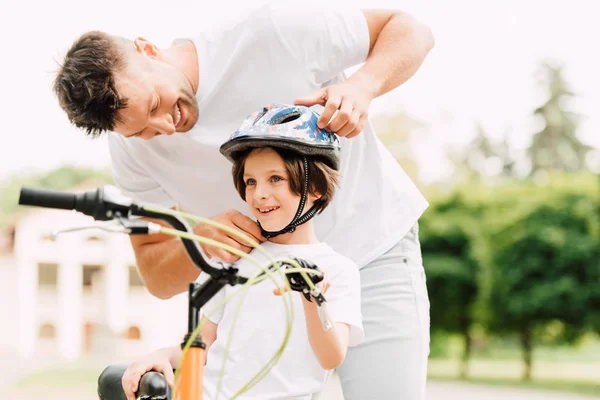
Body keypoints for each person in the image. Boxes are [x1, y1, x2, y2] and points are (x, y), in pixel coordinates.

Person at [54, 2, 434, 398]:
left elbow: (409, 29)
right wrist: (202, 238)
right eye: (142, 132)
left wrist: (363, 86)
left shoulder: (269, 32)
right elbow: (155, 272)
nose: (166, 127)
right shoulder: (131, 153)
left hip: (373, 250)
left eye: (155, 105)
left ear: (148, 49)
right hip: (263, 279)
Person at [118, 104, 363, 400]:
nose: (259, 194)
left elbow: (331, 358)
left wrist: (314, 300)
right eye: (251, 181)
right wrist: (160, 356)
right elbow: (202, 346)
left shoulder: (337, 270)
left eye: (275, 179)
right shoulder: (236, 256)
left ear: (316, 187)